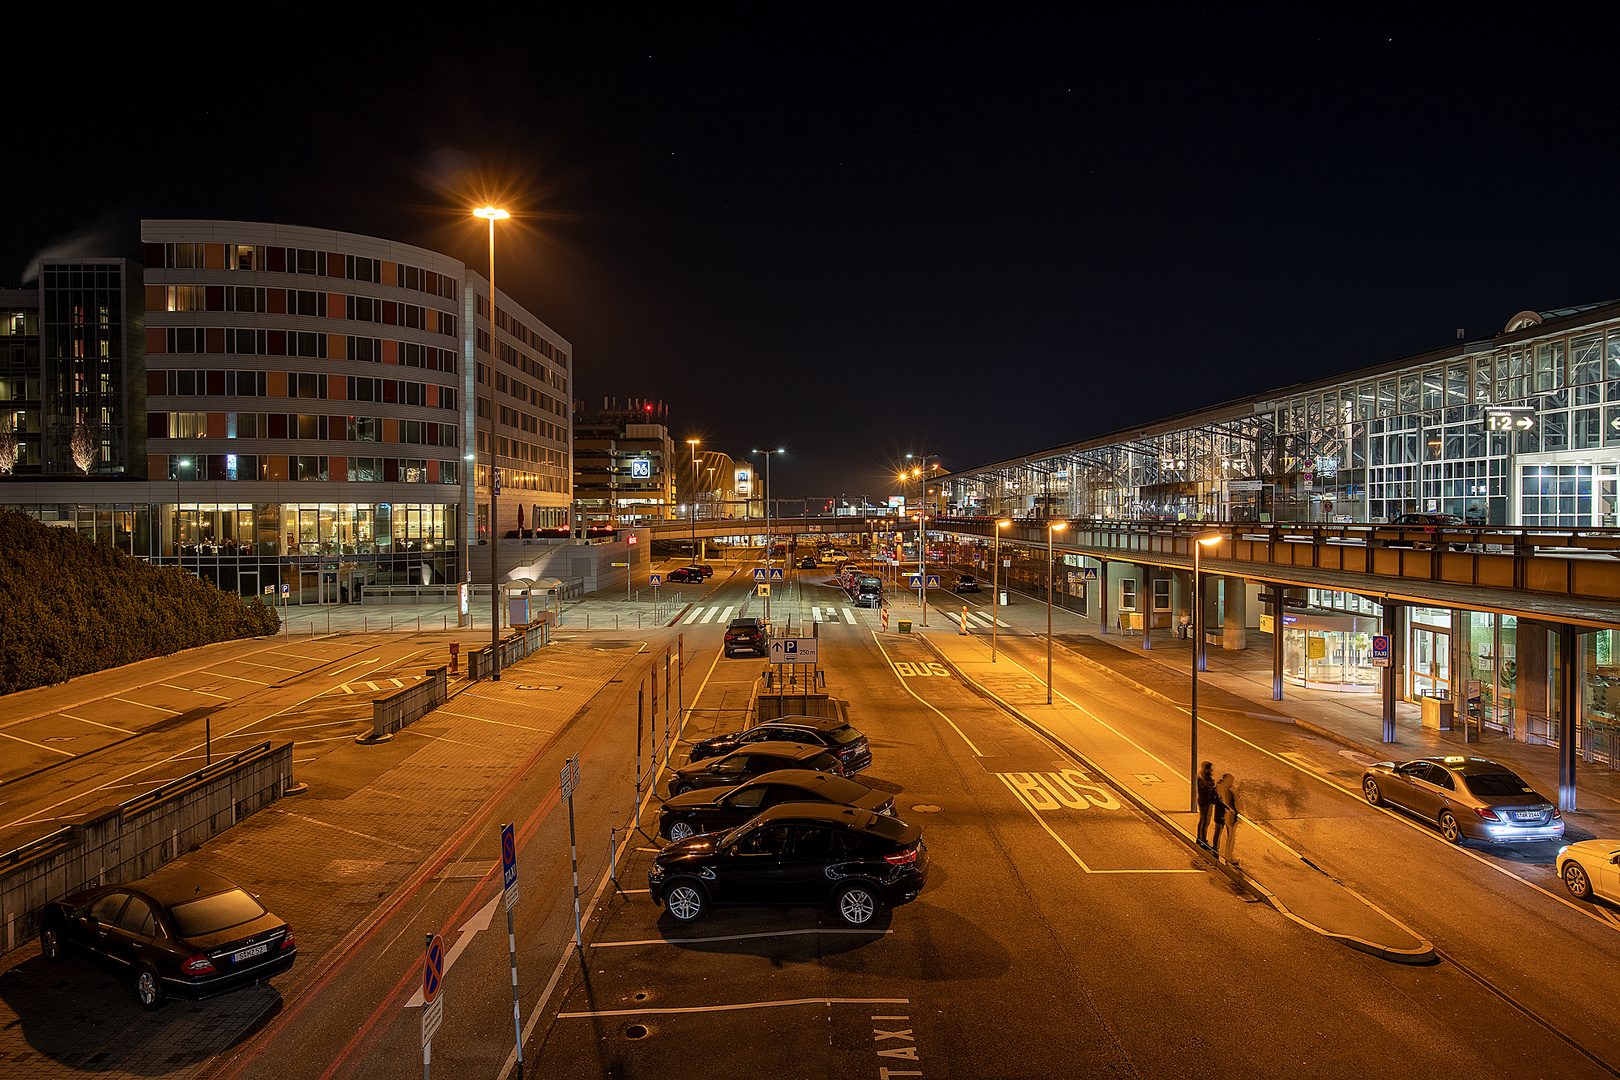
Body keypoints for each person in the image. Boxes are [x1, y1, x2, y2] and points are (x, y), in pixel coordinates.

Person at [1212, 773, 1238, 864]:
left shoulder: (1224, 788)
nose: (1232, 782)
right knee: (1220, 833)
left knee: (1221, 833)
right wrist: (1229, 809)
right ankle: (1217, 851)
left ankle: (1219, 852)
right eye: (1231, 780)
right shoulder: (1220, 788)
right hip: (1222, 814)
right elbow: (1220, 801)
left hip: (1224, 814)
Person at [1195, 762, 1219, 847]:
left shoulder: (1203, 776)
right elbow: (1207, 788)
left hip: (1204, 801)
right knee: (1205, 821)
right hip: (1205, 801)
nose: (1212, 770)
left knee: (1203, 820)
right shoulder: (1203, 778)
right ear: (1206, 769)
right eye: (1210, 768)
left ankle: (1199, 838)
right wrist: (1214, 785)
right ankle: (1203, 840)